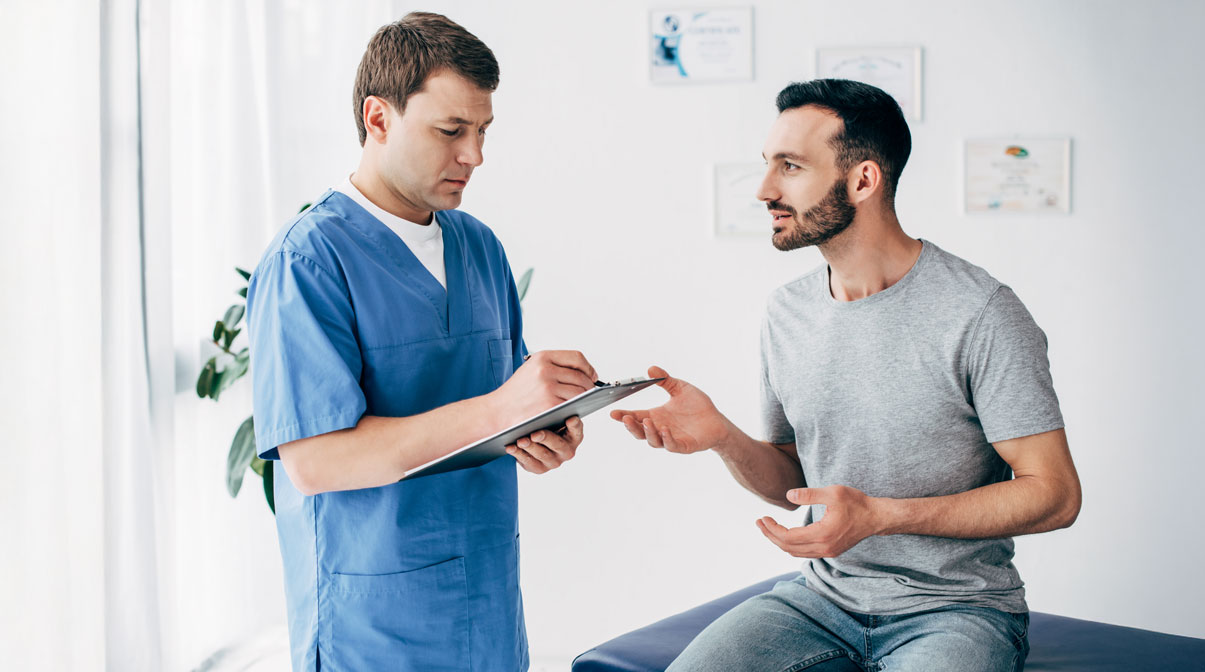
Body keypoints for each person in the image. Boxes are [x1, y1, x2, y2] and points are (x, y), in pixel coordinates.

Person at [611, 79, 1082, 671]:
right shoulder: (788, 311)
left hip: (956, 610)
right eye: (767, 165)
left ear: (862, 179)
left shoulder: (980, 312)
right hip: (818, 601)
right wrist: (722, 437)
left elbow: (1056, 495)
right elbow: (793, 483)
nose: (763, 190)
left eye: (790, 167)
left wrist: (883, 516)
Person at [246, 12, 596, 671]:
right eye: (451, 131)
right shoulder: (308, 263)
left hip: (487, 612)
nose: (475, 155)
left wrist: (543, 427)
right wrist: (500, 410)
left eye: (483, 131)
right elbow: (315, 461)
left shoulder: (480, 248)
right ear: (378, 118)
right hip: (372, 629)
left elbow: (494, 406)